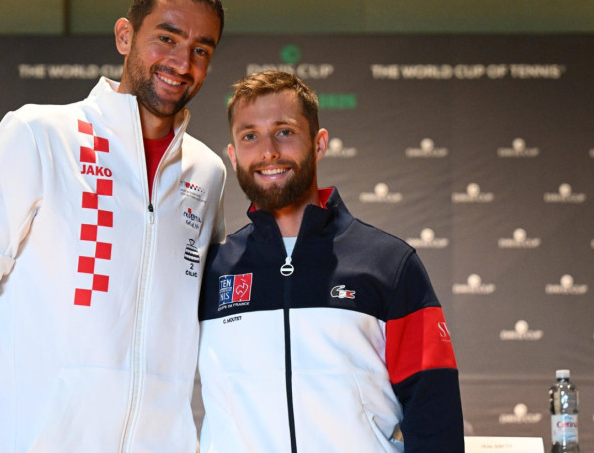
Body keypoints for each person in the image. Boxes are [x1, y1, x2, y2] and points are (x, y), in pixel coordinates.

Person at [0, 0, 227, 452]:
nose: (181, 62)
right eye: (167, 39)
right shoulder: (39, 134)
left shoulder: (208, 173)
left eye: (200, 50)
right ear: (125, 36)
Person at [197, 71, 464, 452]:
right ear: (233, 154)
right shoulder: (210, 270)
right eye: (250, 136)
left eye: (285, 131)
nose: (268, 151)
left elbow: (434, 409)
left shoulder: (389, 262)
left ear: (319, 143)